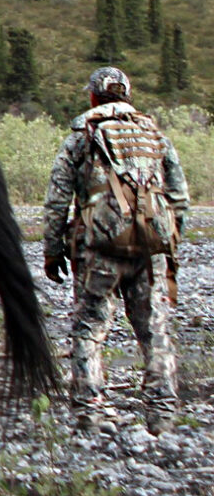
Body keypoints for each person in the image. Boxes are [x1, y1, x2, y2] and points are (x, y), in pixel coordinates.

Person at [42, 66, 188, 432]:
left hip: (98, 249)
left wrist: (52, 248)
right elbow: (179, 197)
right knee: (154, 329)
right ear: (127, 95)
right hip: (149, 249)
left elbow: (57, 198)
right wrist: (169, 244)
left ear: (92, 96)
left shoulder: (82, 135)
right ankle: (162, 413)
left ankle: (90, 411)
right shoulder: (155, 134)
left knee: (90, 326)